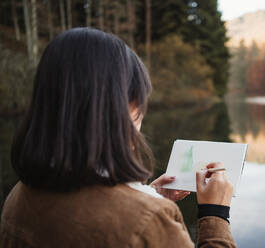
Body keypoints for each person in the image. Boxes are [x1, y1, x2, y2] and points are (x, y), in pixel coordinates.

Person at [0, 28, 236, 248]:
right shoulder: (148, 223)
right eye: (140, 104)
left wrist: (148, 196)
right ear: (123, 107)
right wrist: (215, 213)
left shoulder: (18, 196)